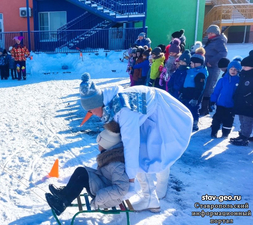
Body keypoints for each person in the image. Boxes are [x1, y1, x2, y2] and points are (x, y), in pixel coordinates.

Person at [78, 72, 193, 212]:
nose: (92, 114)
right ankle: (151, 197)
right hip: (148, 115)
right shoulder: (110, 102)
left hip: (164, 114)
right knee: (144, 153)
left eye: (91, 110)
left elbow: (130, 145)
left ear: (98, 104)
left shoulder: (125, 109)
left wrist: (130, 183)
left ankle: (156, 192)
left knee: (158, 152)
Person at [46, 129, 129, 216]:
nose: (98, 146)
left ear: (106, 145)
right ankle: (64, 194)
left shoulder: (116, 164)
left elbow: (121, 189)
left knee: (82, 178)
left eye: (99, 144)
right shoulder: (110, 157)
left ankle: (62, 204)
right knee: (81, 170)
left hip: (107, 198)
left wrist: (99, 197)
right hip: (104, 186)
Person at [210, 58, 241, 138]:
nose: (233, 71)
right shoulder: (222, 80)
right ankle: (214, 132)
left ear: (238, 71)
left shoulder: (239, 81)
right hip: (221, 104)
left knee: (228, 120)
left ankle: (225, 133)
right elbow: (216, 91)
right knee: (217, 118)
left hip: (231, 105)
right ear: (228, 69)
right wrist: (212, 101)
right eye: (231, 69)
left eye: (235, 69)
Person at [201, 25, 228, 116]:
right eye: (208, 33)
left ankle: (205, 108)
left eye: (211, 33)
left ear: (216, 33)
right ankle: (204, 107)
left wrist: (211, 61)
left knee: (209, 87)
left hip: (213, 67)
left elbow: (223, 53)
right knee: (206, 86)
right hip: (208, 67)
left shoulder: (219, 41)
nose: (209, 35)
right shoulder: (212, 41)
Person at [179, 47, 208, 131]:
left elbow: (200, 87)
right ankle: (186, 122)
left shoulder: (200, 74)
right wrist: (182, 92)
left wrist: (196, 98)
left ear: (197, 63)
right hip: (186, 92)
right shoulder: (190, 71)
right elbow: (185, 82)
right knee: (186, 109)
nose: (190, 64)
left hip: (194, 94)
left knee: (193, 109)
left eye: (191, 63)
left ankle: (194, 122)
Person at [230, 51, 253, 146]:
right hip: (241, 102)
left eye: (245, 66)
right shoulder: (243, 74)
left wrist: (249, 99)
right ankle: (242, 134)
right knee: (242, 120)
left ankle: (245, 138)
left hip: (249, 104)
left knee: (247, 121)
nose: (243, 68)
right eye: (243, 66)